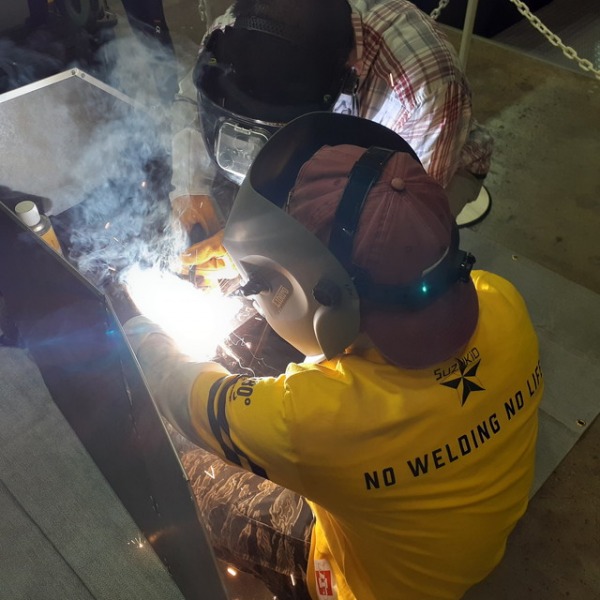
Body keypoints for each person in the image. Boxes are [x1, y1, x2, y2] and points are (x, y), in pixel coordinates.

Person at [124, 112, 541, 600]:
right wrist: (251, 267)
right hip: (476, 548)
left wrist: (137, 329)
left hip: (369, 589)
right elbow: (383, 267)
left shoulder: (312, 418)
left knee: (194, 470)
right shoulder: (501, 299)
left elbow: (182, 389)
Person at [171, 0, 494, 276]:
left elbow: (405, 207)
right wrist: (190, 188)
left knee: (373, 272)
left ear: (346, 73)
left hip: (418, 168)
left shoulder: (423, 87)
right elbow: (192, 101)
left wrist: (265, 248)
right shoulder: (242, 27)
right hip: (310, 146)